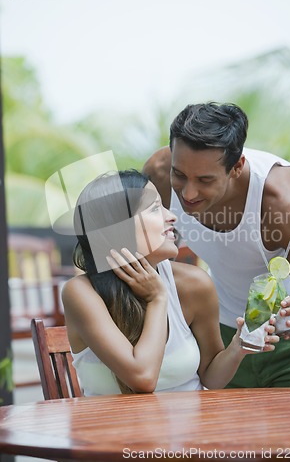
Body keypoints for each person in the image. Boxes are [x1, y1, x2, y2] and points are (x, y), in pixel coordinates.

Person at [143, 102, 290, 388]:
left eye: (205, 180)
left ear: (237, 167)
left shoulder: (281, 202)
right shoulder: (157, 175)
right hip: (222, 347)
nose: (188, 192)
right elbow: (127, 249)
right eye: (179, 175)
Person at [62, 169, 278, 396]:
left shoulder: (193, 284)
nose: (171, 216)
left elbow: (211, 379)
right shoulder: (81, 293)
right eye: (155, 209)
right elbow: (142, 378)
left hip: (191, 429)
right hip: (112, 430)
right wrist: (157, 297)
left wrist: (237, 347)